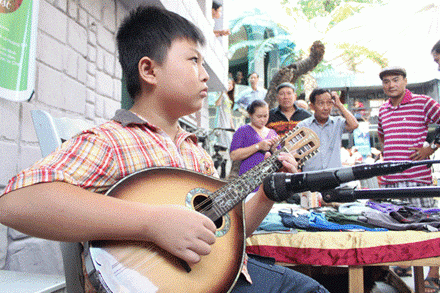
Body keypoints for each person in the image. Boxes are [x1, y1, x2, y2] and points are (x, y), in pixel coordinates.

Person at [0, 6, 329, 293]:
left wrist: (267, 194)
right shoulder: (114, 139)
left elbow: (225, 238)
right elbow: (16, 202)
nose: (204, 75)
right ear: (148, 70)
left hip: (211, 278)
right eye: (193, 61)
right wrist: (152, 223)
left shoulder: (194, 152)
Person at [377, 66, 440, 292]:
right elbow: (384, 140)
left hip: (417, 178)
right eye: (386, 81)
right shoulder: (383, 109)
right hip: (392, 180)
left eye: (395, 80)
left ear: (405, 81)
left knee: (428, 226)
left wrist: (430, 148)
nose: (391, 84)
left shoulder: (423, 102)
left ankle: (434, 272)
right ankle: (404, 263)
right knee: (398, 226)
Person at [297, 88, 359, 172]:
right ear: (312, 106)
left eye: (329, 103)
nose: (326, 107)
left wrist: (340, 105)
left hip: (335, 177)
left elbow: (354, 125)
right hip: (311, 178)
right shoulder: (303, 126)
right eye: (321, 103)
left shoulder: (338, 122)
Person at [229, 100, 279, 182]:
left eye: (265, 116)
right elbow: (234, 155)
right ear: (250, 115)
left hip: (268, 178)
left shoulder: (272, 132)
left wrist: (274, 149)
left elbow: (278, 157)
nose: (263, 120)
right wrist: (258, 146)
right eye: (259, 117)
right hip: (248, 179)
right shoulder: (243, 130)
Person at [214, 77, 235, 148]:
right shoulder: (221, 93)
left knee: (229, 142)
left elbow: (229, 113)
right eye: (228, 83)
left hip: (227, 123)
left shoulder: (229, 97)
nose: (230, 85)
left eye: (232, 84)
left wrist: (232, 125)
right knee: (222, 142)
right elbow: (217, 104)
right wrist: (222, 92)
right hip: (221, 122)